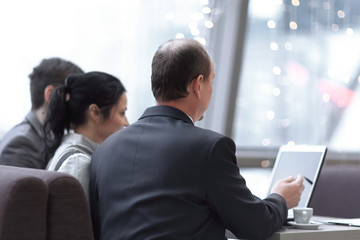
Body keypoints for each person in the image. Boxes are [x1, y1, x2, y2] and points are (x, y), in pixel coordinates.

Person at [89, 39, 304, 240]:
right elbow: (255, 226)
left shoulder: (104, 150)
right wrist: (280, 199)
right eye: (211, 80)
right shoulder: (209, 148)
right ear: (197, 85)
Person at [45, 71, 128, 199]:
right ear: (95, 113)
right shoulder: (78, 163)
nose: (126, 123)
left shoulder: (74, 151)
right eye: (122, 113)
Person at [0, 57, 83, 169]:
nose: (80, 106)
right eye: (74, 98)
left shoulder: (48, 136)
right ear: (50, 95)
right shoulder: (22, 144)